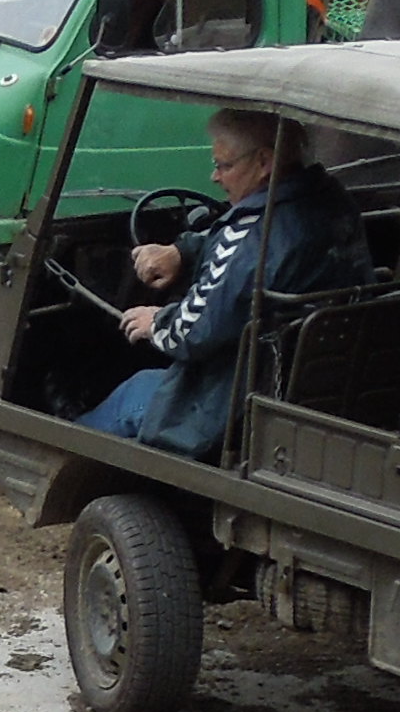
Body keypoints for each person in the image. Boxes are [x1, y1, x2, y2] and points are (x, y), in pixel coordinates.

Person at [73, 110, 354, 460]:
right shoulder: (329, 201)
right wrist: (182, 251)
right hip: (311, 385)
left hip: (234, 402)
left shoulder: (253, 236)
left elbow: (195, 332)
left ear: (264, 162)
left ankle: (64, 451)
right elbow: (239, 248)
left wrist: (156, 321)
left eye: (224, 166)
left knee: (133, 396)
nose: (215, 176)